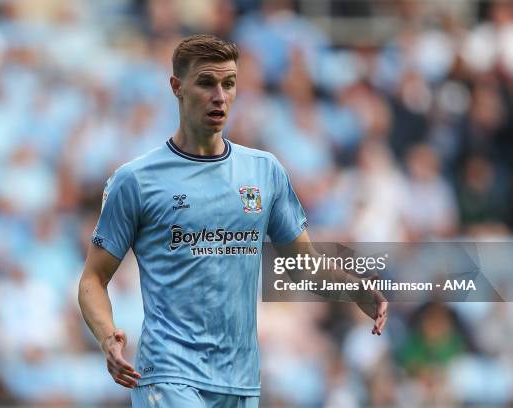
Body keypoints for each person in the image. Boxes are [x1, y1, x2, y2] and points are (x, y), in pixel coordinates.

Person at [78, 34, 387, 407]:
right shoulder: (137, 179)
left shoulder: (264, 171)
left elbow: (303, 267)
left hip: (239, 380)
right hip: (169, 373)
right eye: (206, 83)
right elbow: (94, 278)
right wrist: (107, 336)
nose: (219, 96)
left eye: (229, 84)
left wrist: (354, 288)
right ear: (177, 87)